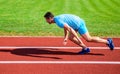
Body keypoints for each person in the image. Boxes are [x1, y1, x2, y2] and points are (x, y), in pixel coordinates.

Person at [44, 12, 114, 54]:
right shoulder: (57, 19)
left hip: (79, 24)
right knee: (70, 37)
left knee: (88, 39)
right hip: (75, 23)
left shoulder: (58, 21)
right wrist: (65, 38)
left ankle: (108, 41)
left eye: (46, 20)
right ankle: (85, 48)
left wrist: (78, 38)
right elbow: (66, 27)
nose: (46, 21)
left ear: (50, 18)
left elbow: (70, 29)